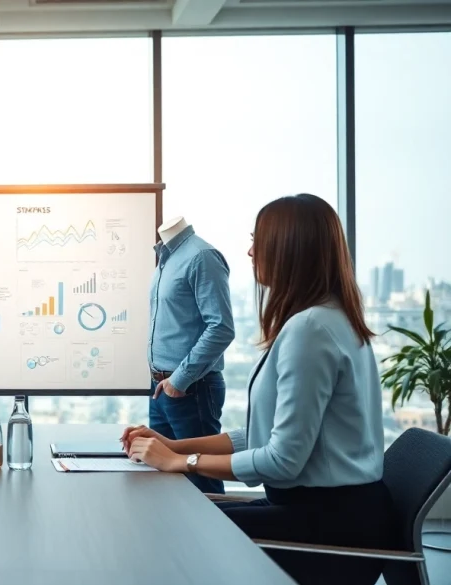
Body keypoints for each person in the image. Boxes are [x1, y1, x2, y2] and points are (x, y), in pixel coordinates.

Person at [122, 194, 394, 585]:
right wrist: (172, 446)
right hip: (330, 510)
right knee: (183, 521)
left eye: (260, 241)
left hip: (331, 526)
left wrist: (182, 463)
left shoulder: (310, 330)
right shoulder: (330, 319)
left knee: (177, 531)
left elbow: (281, 461)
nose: (250, 252)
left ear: (290, 250)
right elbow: (265, 435)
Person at [147, 215, 235, 494]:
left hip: (191, 389)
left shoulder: (201, 256)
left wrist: (179, 380)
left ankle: (211, 538)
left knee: (202, 482)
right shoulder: (166, 259)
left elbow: (221, 327)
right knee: (165, 479)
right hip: (161, 388)